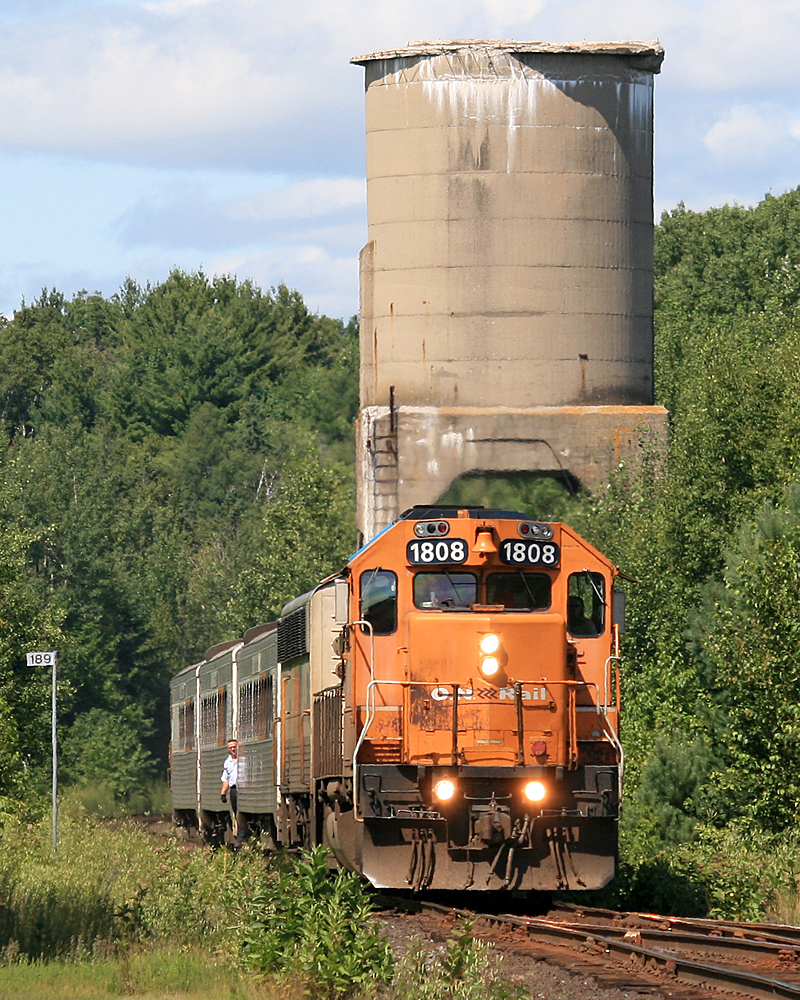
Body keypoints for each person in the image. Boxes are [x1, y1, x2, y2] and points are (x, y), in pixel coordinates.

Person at [220, 739, 245, 846]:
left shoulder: (245, 759)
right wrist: (223, 794)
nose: (233, 749)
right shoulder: (228, 762)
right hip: (234, 790)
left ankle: (242, 837)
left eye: (234, 746)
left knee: (243, 812)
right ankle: (241, 836)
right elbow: (226, 779)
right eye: (230, 748)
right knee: (236, 813)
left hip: (244, 790)